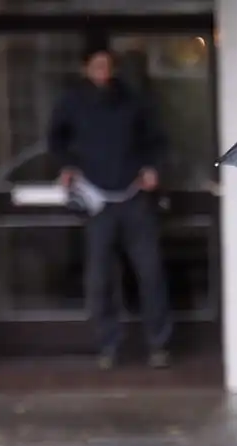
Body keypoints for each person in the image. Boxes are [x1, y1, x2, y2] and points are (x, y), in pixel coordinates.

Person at [48, 41, 172, 370]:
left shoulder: (133, 100)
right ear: (85, 69)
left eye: (107, 66)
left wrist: (152, 168)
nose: (103, 72)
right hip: (97, 200)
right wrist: (67, 166)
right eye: (97, 66)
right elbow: (56, 141)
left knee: (150, 272)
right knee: (99, 278)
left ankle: (159, 344)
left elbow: (157, 140)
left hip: (134, 196)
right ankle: (108, 345)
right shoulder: (71, 103)